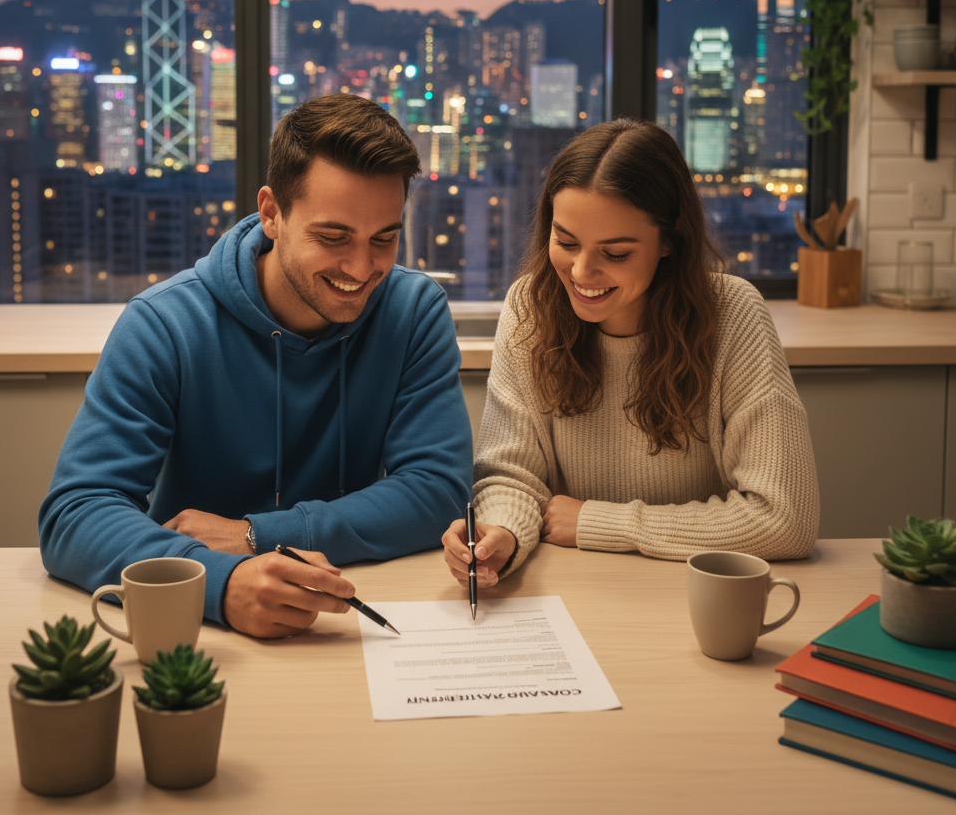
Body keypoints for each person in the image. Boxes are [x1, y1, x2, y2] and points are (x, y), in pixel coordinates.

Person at [40, 93, 473, 638]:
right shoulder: (163, 323)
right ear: (272, 214)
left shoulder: (413, 310)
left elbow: (438, 491)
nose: (363, 268)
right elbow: (74, 515)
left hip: (349, 613)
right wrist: (223, 582)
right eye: (333, 237)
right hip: (203, 630)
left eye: (384, 239)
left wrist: (256, 535)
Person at [442, 118, 819, 589]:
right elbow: (512, 475)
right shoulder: (529, 307)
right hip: (576, 589)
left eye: (615, 253)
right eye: (566, 242)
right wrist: (502, 533)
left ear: (669, 240)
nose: (581, 271)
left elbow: (785, 520)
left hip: (693, 591)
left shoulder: (733, 314)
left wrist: (600, 523)